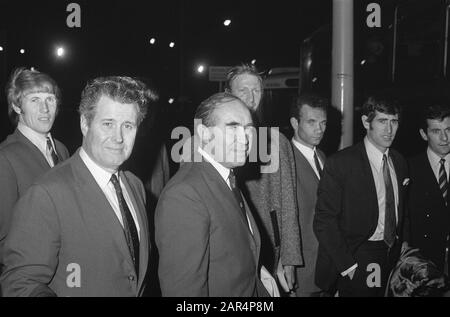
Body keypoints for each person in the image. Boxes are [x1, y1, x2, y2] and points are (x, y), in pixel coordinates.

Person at [1, 76, 155, 296]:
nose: (118, 137)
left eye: (128, 126)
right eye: (108, 123)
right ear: (85, 123)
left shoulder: (135, 185)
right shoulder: (46, 194)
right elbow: (20, 284)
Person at [155, 92, 271, 296]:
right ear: (204, 133)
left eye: (248, 130)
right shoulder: (184, 194)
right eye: (233, 127)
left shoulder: (227, 177)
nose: (245, 139)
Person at [314, 95, 409, 297]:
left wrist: (403, 251)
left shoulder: (399, 161)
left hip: (391, 255)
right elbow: (324, 220)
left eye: (394, 122)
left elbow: (403, 211)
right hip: (360, 254)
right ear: (366, 122)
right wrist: (348, 266)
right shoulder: (341, 163)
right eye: (382, 121)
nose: (389, 129)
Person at [226, 64, 302, 292]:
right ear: (229, 94)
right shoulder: (212, 140)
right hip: (227, 248)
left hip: (268, 247)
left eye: (256, 90)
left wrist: (290, 258)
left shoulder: (277, 141)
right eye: (243, 90)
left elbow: (289, 204)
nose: (250, 97)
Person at [0, 68, 69, 270]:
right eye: (34, 100)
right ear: (17, 106)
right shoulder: (5, 157)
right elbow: (4, 241)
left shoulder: (62, 149)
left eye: (50, 99)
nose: (45, 108)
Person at [289, 93, 329, 297]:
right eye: (311, 122)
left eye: (323, 122)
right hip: (301, 271)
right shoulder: (285, 161)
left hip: (325, 267)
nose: (319, 129)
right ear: (295, 123)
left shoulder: (322, 157)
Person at [408, 104, 450, 274]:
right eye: (436, 131)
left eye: (448, 129)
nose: (445, 137)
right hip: (425, 264)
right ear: (423, 134)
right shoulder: (408, 168)